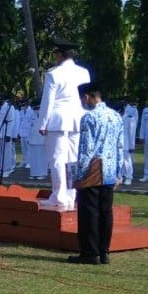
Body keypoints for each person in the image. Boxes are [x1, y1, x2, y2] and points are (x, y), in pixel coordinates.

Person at [69, 83, 123, 265]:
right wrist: (119, 172)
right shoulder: (116, 116)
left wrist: (79, 175)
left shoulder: (89, 117)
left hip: (93, 168)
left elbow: (86, 149)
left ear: (87, 97)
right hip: (109, 168)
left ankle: (89, 252)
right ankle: (104, 251)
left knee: (89, 212)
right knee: (105, 212)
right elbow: (120, 146)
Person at [37, 38, 91, 209]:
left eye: (56, 54)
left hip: (58, 119)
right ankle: (71, 194)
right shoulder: (84, 72)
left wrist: (42, 124)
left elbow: (48, 102)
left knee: (57, 159)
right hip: (79, 118)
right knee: (73, 159)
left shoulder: (54, 73)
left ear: (60, 55)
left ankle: (59, 195)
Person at [0, 96, 19, 179]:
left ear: (1, 99)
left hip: (5, 133)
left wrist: (8, 134)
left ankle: (6, 170)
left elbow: (11, 122)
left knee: (6, 153)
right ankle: (0, 169)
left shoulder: (9, 107)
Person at [119, 99, 139, 185]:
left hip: (126, 143)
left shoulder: (130, 118)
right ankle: (120, 176)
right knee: (119, 161)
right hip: (117, 143)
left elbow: (132, 133)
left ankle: (129, 177)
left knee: (127, 161)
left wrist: (132, 146)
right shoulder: (117, 116)